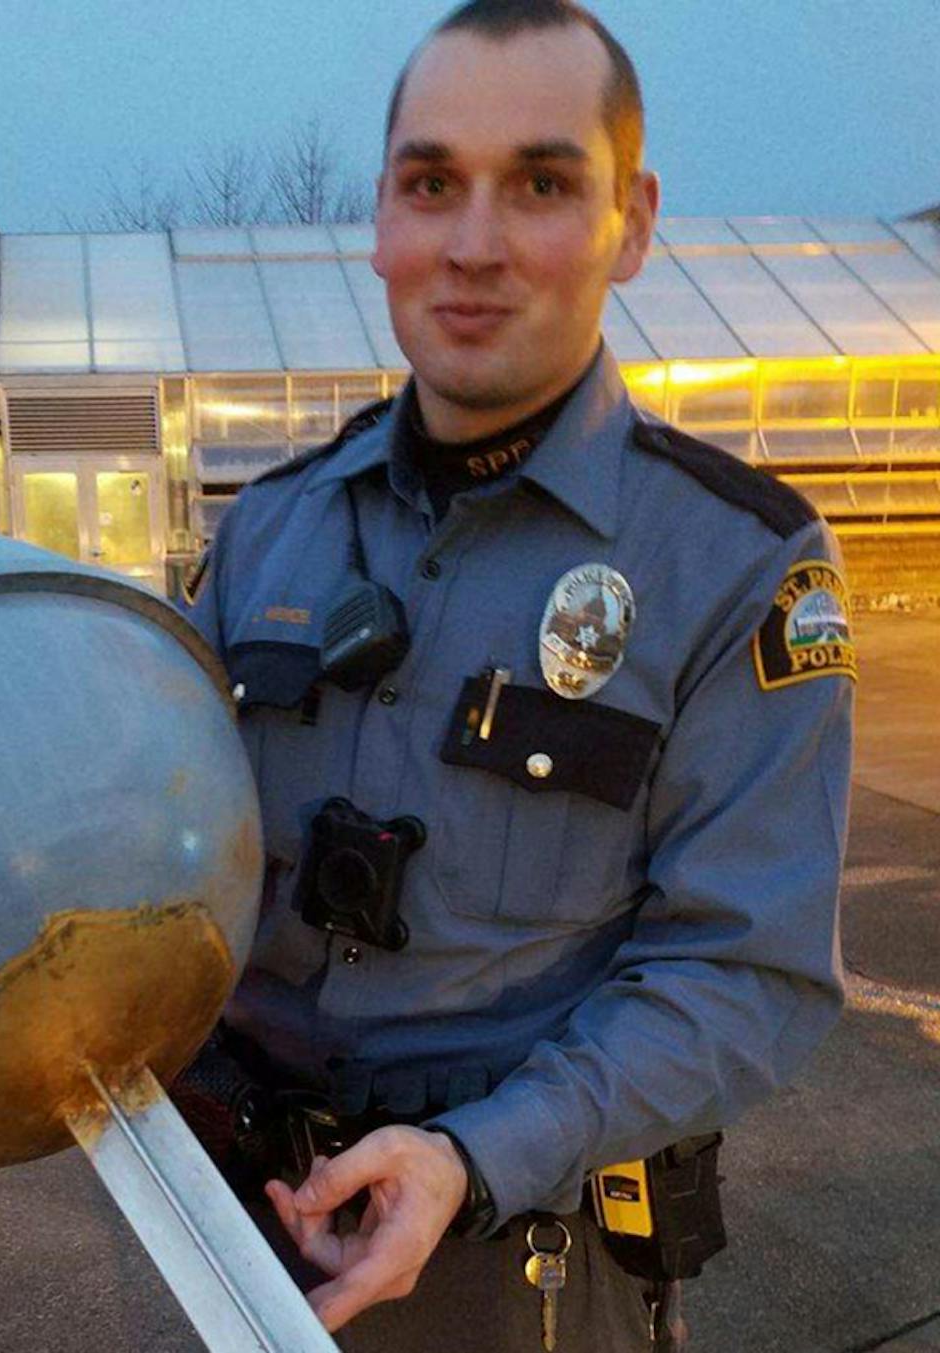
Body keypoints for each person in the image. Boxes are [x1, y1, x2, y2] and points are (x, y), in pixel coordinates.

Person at [182, 1, 854, 1348]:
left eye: (542, 184)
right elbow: (146, 852)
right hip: (225, 1233)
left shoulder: (734, 562)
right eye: (432, 184)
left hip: (510, 1267)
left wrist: (474, 1153)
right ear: (379, 219)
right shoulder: (265, 533)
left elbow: (747, 973)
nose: (474, 246)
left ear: (633, 219)